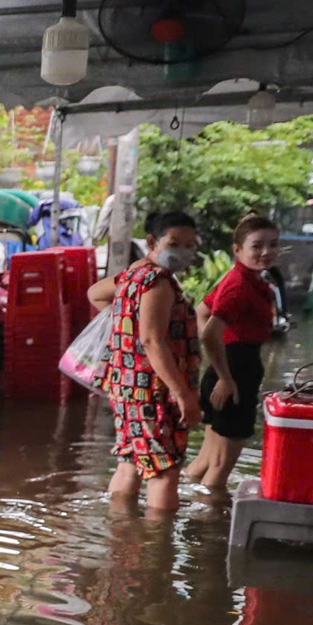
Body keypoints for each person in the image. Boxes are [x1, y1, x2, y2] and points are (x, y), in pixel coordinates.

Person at [88, 211, 203, 513]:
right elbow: (153, 341)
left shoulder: (133, 275)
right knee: (164, 472)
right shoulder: (159, 283)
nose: (183, 251)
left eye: (190, 245)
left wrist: (123, 323)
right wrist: (183, 394)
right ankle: (157, 550)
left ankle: (122, 532)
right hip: (153, 391)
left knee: (129, 461)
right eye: (174, 243)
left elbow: (94, 293)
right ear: (152, 242)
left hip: (126, 388)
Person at [184, 213, 281, 491]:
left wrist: (217, 365)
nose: (266, 252)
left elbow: (201, 313)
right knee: (220, 467)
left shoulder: (244, 279)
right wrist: (226, 377)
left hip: (228, 368)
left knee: (207, 461)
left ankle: (176, 518)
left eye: (273, 244)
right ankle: (209, 527)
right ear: (237, 250)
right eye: (257, 245)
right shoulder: (239, 286)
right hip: (235, 373)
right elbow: (209, 332)